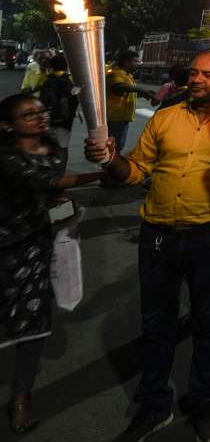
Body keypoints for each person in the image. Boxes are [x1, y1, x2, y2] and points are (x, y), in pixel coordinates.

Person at [84, 50, 210, 442]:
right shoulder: (165, 117)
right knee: (156, 324)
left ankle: (205, 405)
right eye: (193, 73)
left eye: (208, 74)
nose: (197, 79)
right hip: (157, 235)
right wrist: (109, 159)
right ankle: (154, 405)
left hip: (209, 236)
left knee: (208, 323)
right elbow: (134, 172)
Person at [0, 94, 103, 434]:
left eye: (41, 110)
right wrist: (101, 176)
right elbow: (47, 182)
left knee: (35, 324)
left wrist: (62, 206)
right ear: (7, 125)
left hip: (36, 248)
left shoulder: (54, 149)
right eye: (27, 115)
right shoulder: (6, 157)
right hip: (5, 248)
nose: (39, 117)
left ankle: (20, 399)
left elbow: (53, 193)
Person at [106, 49, 154, 153]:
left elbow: (127, 93)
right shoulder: (116, 74)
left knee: (118, 146)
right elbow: (118, 87)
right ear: (127, 62)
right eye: (136, 61)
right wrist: (140, 89)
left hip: (123, 118)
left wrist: (144, 93)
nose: (138, 64)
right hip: (115, 117)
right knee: (114, 147)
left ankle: (111, 165)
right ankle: (110, 167)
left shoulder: (128, 75)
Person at [38, 54, 77, 154]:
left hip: (47, 117)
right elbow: (76, 98)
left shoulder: (44, 79)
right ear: (67, 66)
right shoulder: (71, 80)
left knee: (46, 144)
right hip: (65, 119)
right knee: (62, 147)